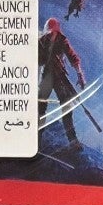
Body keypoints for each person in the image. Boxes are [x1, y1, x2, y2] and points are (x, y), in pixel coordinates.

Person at [37, 17, 86, 148]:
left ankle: (72, 140)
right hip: (46, 76)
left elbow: (73, 57)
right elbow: (37, 60)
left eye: (54, 32)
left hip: (59, 76)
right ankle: (37, 138)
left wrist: (80, 74)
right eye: (50, 32)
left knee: (66, 106)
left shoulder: (62, 40)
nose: (52, 34)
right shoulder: (42, 41)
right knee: (40, 107)